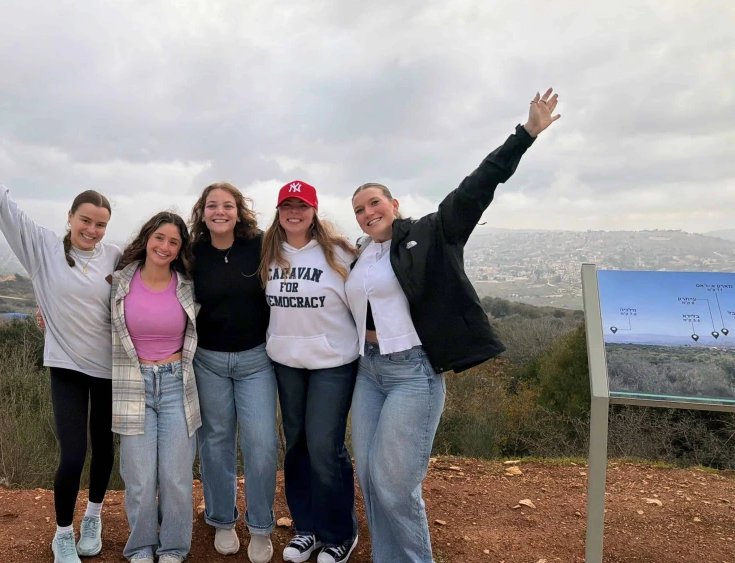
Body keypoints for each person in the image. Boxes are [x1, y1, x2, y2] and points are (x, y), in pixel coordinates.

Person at [344, 88, 562, 563]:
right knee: (370, 478)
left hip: (413, 374)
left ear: (393, 203)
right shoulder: (359, 254)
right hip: (369, 371)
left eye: (374, 202)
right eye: (359, 209)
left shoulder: (431, 232)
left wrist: (525, 134)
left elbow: (476, 186)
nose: (368, 212)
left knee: (396, 485)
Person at [0, 141, 119, 563]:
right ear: (70, 217)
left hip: (111, 367)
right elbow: (4, 210)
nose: (92, 230)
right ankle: (63, 533)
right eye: (86, 220)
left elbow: (155, 279)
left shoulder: (117, 257)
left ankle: (93, 517)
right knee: (73, 453)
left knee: (104, 447)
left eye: (100, 224)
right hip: (66, 367)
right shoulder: (42, 247)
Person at [260, 181, 360, 563]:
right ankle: (307, 529)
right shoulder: (268, 252)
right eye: (287, 205)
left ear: (314, 210)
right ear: (279, 211)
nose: (294, 211)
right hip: (287, 363)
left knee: (324, 446)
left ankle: (339, 533)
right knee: (297, 444)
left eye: (302, 205)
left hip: (332, 364)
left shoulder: (339, 253)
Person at [188, 183, 277, 562]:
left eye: (227, 205)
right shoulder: (192, 253)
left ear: (239, 211)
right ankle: (222, 519)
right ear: (203, 212)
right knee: (216, 444)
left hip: (256, 360)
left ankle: (260, 526)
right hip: (208, 361)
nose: (219, 211)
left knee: (261, 445)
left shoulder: (259, 245)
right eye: (212, 205)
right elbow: (147, 271)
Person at [110, 211, 201, 563]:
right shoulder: (118, 283)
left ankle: (174, 548)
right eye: (159, 238)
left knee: (177, 477)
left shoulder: (188, 285)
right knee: (140, 478)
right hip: (133, 386)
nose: (164, 246)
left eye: (173, 242)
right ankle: (141, 548)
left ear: (180, 250)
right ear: (147, 238)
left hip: (177, 383)